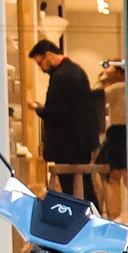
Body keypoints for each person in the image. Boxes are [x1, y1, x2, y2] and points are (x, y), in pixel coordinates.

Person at [29, 39, 102, 196]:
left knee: (72, 190)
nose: (41, 68)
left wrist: (38, 109)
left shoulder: (60, 76)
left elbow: (57, 113)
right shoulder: (75, 70)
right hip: (80, 143)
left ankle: (83, 218)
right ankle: (91, 216)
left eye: (40, 62)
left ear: (48, 55)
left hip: (67, 145)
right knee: (84, 187)